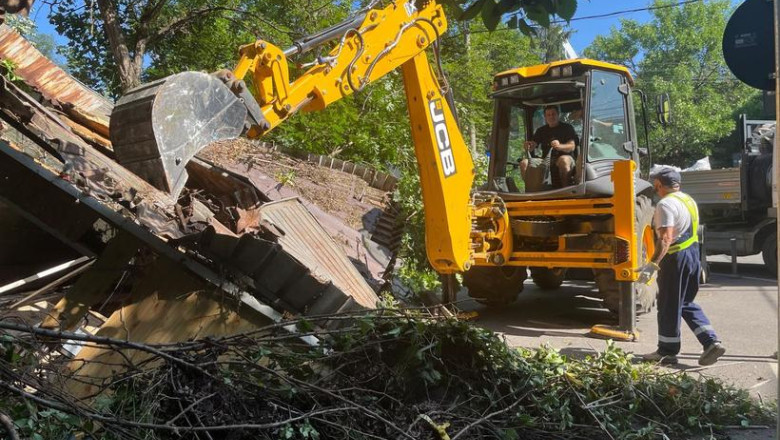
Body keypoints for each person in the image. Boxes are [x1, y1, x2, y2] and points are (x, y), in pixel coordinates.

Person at [638, 168, 726, 366]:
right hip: (692, 255)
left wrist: (652, 264)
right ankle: (711, 341)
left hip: (675, 257)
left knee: (669, 304)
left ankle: (667, 352)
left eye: (655, 185)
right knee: (685, 301)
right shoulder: (688, 200)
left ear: (659, 185)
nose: (654, 188)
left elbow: (666, 238)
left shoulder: (665, 205)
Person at [520, 105, 578, 189]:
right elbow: (533, 145)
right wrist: (529, 145)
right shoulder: (541, 130)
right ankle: (531, 190)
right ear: (545, 117)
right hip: (546, 161)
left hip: (565, 159)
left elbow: (572, 146)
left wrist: (559, 146)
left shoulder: (567, 128)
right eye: (548, 115)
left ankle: (566, 191)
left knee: (563, 160)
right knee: (524, 163)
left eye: (553, 114)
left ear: (558, 115)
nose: (551, 117)